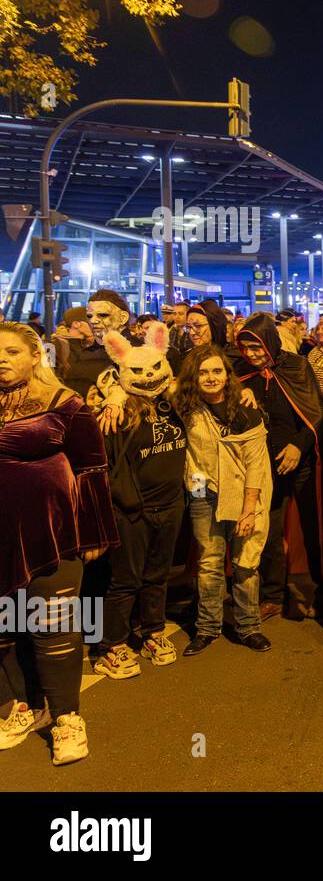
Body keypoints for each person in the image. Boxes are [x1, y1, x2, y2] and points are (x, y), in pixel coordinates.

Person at [0, 322, 116, 765]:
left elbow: (92, 468)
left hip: (54, 534)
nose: (3, 359)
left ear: (36, 355)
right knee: (7, 625)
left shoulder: (66, 403)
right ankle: (22, 707)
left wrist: (95, 531)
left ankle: (68, 719)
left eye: (13, 351)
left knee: (54, 626)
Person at [91, 321, 188, 680]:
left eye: (153, 369)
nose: (147, 376)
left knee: (157, 576)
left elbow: (213, 391)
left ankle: (153, 632)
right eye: (138, 371)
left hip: (171, 504)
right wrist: (115, 396)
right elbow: (108, 465)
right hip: (132, 510)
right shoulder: (117, 410)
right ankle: (112, 645)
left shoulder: (175, 401)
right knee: (125, 579)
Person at [235, 312, 323, 620]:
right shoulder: (241, 373)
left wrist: (298, 445)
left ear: (270, 342)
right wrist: (238, 390)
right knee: (267, 532)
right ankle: (272, 594)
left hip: (303, 462)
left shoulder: (296, 366)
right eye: (246, 348)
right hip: (264, 468)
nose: (252, 354)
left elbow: (317, 414)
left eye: (257, 347)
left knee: (316, 528)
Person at [174, 346, 272, 655]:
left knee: (245, 564)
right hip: (202, 489)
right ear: (193, 376)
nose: (211, 378)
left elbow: (256, 463)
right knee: (209, 562)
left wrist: (248, 511)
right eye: (203, 372)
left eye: (217, 371)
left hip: (244, 492)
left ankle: (248, 627)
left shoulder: (245, 408)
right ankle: (207, 628)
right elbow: (150, 383)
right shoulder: (185, 404)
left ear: (228, 375)